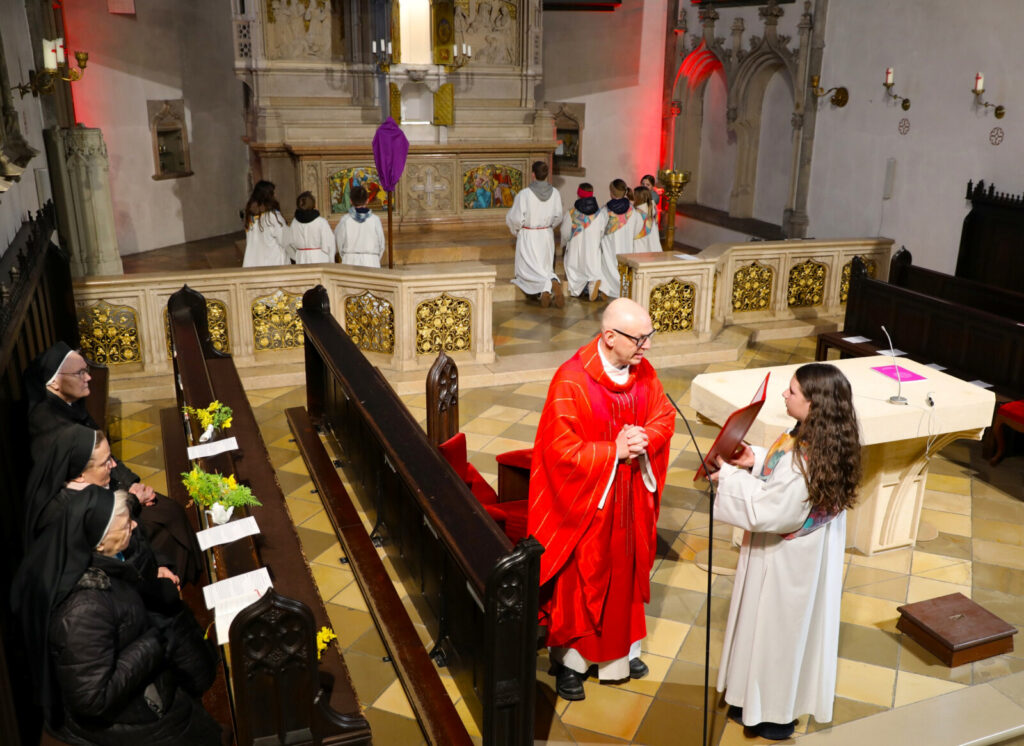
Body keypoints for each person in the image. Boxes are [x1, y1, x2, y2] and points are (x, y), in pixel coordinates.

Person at [528, 298, 676, 701]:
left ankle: (620, 655)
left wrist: (646, 438)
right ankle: (571, 661)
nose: (647, 346)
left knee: (625, 574)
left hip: (631, 500)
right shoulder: (571, 381)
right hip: (587, 504)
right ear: (610, 337)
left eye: (649, 336)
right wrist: (614, 452)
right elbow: (559, 451)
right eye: (639, 338)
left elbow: (663, 415)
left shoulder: (644, 372)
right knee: (584, 578)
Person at [709, 363, 861, 741]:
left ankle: (773, 714)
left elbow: (768, 511)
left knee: (775, 635)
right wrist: (757, 460)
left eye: (792, 391)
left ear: (814, 404)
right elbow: (787, 478)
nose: (784, 395)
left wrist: (728, 478)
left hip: (785, 563)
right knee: (775, 632)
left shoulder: (803, 464)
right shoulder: (827, 441)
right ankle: (750, 699)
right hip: (807, 556)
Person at [10, 489, 221, 744]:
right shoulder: (83, 610)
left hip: (154, 686)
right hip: (133, 718)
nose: (135, 525)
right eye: (125, 524)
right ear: (100, 543)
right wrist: (150, 645)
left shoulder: (108, 561)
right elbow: (92, 697)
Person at [24, 342, 202, 585]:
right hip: (98, 513)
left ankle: (183, 579)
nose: (88, 377)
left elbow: (107, 459)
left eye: (87, 370)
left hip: (108, 487)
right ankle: (175, 583)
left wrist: (132, 483)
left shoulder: (70, 403)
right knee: (164, 521)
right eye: (80, 373)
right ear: (54, 383)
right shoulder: (49, 428)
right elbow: (83, 495)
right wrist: (131, 499)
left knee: (170, 510)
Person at [507, 160, 565, 308]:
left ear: (533, 174)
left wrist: (517, 230)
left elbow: (516, 218)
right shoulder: (555, 193)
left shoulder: (524, 194)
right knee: (544, 267)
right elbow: (559, 216)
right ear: (547, 175)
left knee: (527, 271)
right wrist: (548, 227)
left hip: (529, 235)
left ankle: (545, 286)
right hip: (546, 235)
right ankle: (551, 281)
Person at [559, 183, 607, 301]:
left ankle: (578, 290)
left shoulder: (571, 213)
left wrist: (564, 243)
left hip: (576, 250)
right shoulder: (600, 214)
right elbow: (602, 232)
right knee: (592, 268)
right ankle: (592, 284)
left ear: (578, 194)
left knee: (575, 271)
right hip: (592, 249)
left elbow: (565, 232)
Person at [595, 179, 641, 299]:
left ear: (611, 193)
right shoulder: (632, 210)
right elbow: (637, 229)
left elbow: (599, 230)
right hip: (627, 248)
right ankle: (624, 289)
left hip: (610, 247)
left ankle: (606, 288)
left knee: (608, 265)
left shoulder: (606, 210)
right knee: (624, 269)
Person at [335, 184, 386, 267]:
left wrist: (345, 256)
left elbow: (339, 242)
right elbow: (381, 245)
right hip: (371, 261)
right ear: (367, 201)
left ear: (351, 201)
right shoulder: (375, 220)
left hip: (350, 260)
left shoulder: (345, 220)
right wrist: (374, 258)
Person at [241, 180, 288, 267]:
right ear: (268, 196)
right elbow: (284, 240)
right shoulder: (272, 216)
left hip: (254, 263)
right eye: (273, 193)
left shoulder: (249, 215)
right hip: (273, 264)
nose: (275, 196)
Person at [286, 191, 337, 264]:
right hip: (319, 258)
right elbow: (329, 244)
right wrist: (331, 260)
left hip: (301, 258)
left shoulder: (294, 223)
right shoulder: (321, 222)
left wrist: (297, 255)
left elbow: (290, 243)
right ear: (314, 204)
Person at [632, 186, 662, 253]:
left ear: (638, 198)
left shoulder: (636, 213)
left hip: (639, 247)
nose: (633, 198)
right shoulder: (653, 210)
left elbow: (632, 232)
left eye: (634, 195)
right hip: (653, 247)